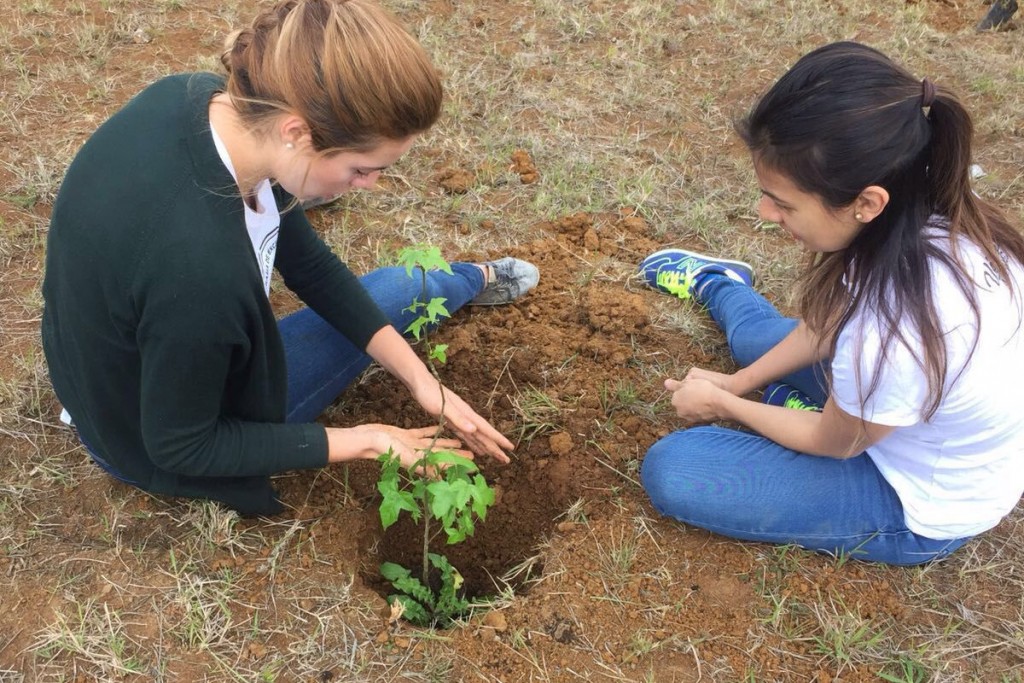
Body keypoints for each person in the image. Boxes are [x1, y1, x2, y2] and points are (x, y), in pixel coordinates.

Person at [41, 0, 539, 517]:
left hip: (114, 374)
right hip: (142, 437)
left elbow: (312, 269)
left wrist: (420, 380)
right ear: (297, 132)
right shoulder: (199, 273)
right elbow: (182, 445)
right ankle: (470, 279)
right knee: (400, 291)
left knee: (390, 303)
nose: (370, 186)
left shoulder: (201, 104)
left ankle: (464, 284)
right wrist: (369, 440)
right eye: (361, 169)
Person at [637, 41, 1024, 565]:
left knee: (676, 468)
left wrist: (724, 406)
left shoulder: (897, 330)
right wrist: (735, 381)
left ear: (866, 202)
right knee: (754, 345)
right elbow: (827, 324)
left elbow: (836, 442)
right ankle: (722, 283)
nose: (764, 211)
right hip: (901, 409)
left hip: (911, 497)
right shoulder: (915, 209)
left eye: (783, 202)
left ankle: (786, 408)